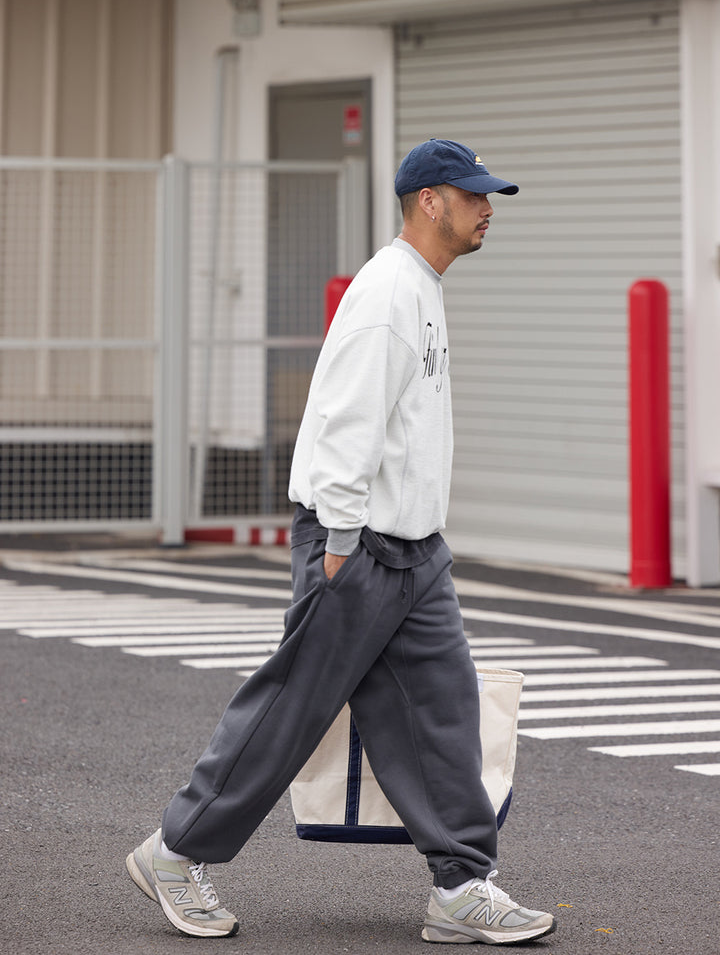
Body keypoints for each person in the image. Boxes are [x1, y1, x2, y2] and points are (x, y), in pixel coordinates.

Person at [126, 138, 557, 946]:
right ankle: (176, 851)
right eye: (473, 196)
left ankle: (462, 884)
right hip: (357, 543)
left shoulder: (423, 288)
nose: (487, 208)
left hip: (415, 552)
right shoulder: (388, 290)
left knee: (444, 706)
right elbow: (347, 418)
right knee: (293, 707)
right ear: (431, 201)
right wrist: (343, 536)